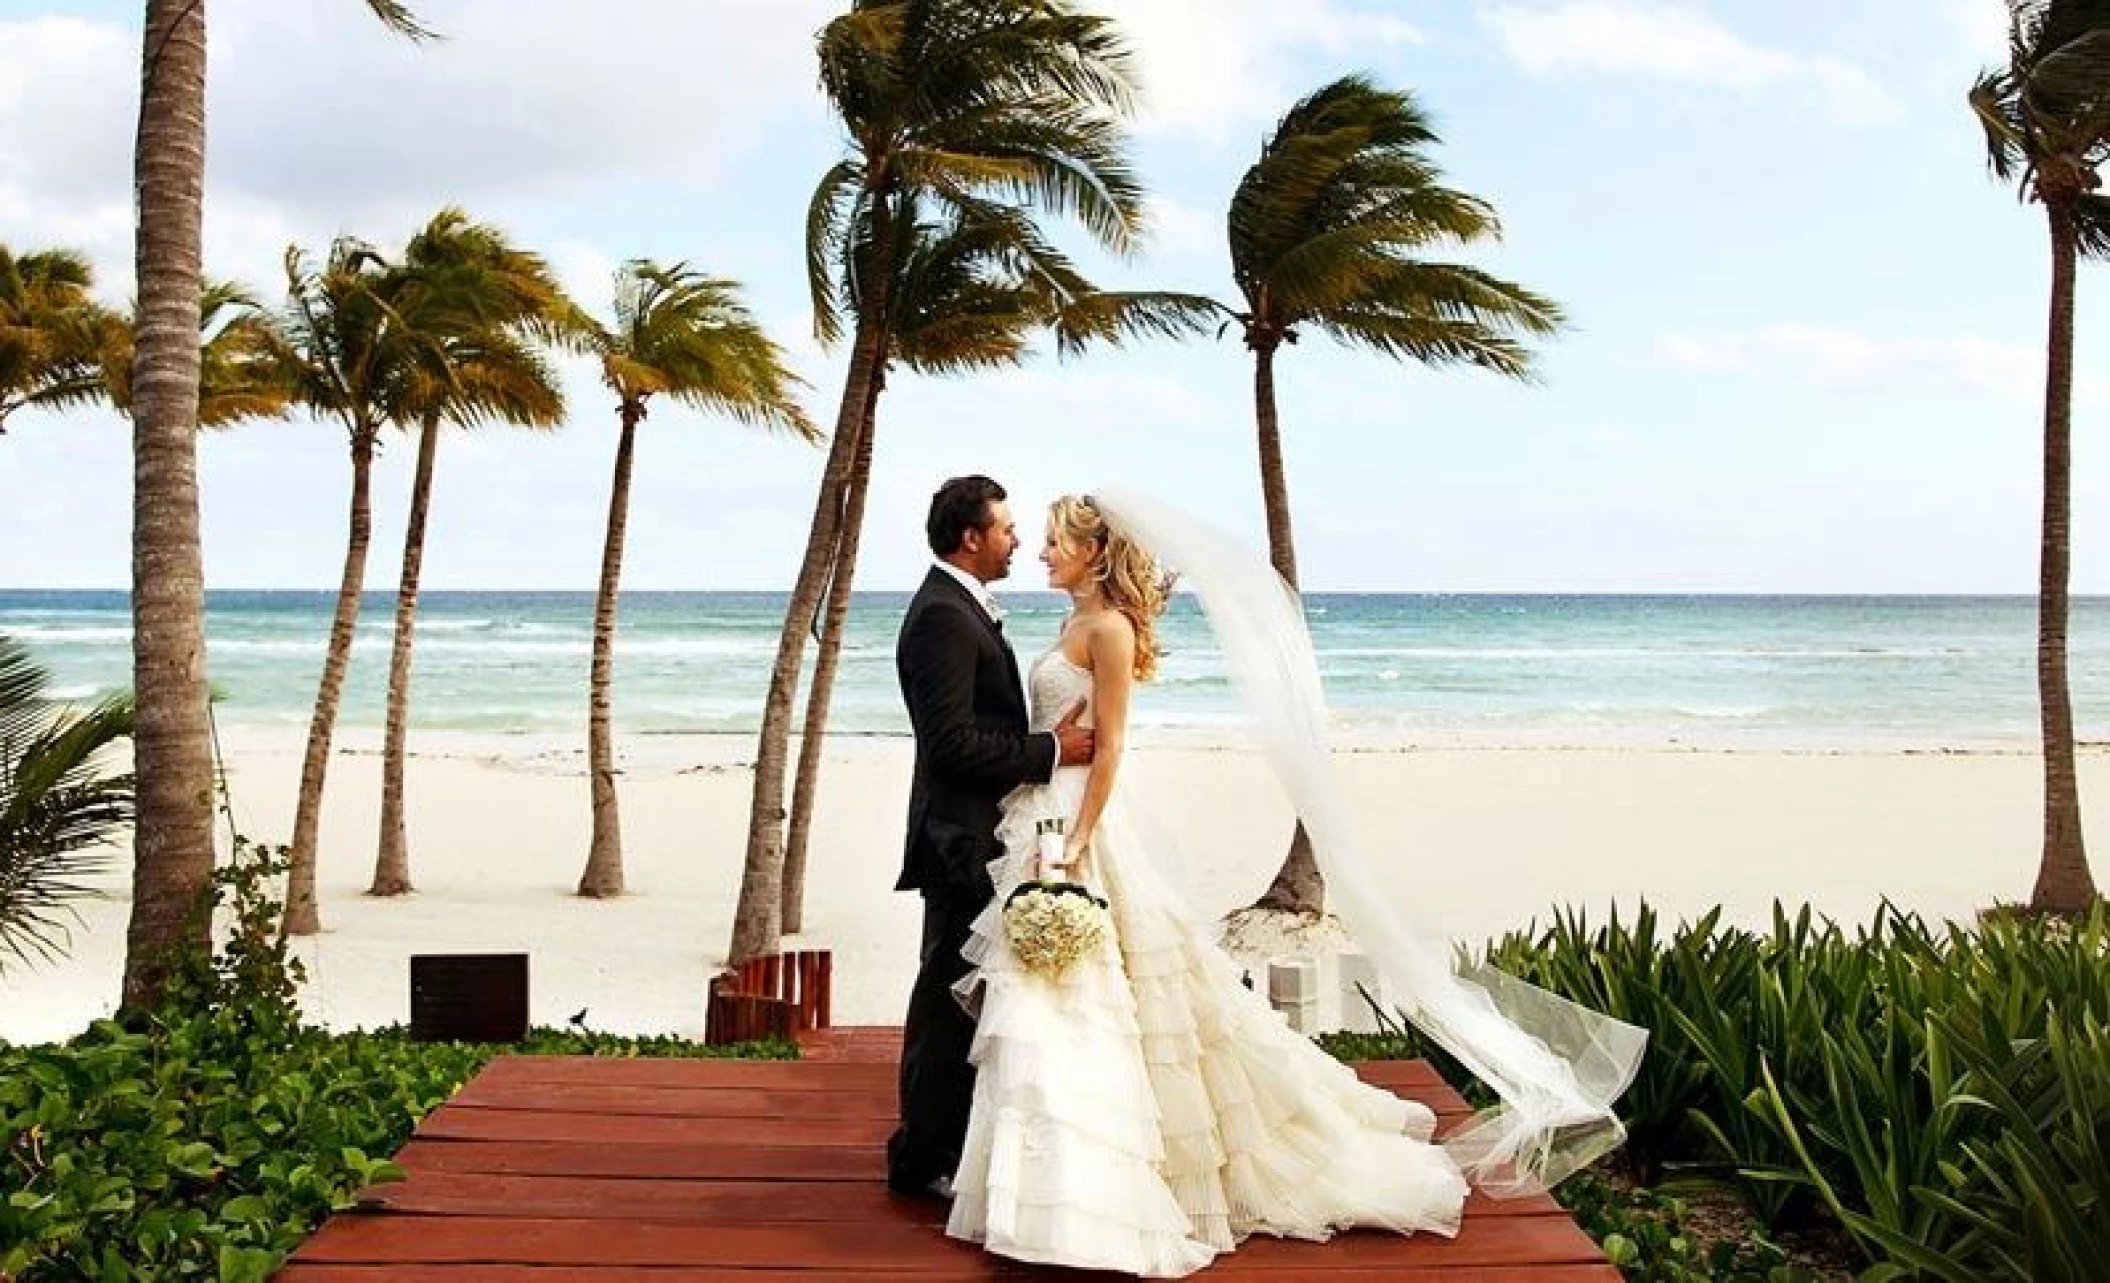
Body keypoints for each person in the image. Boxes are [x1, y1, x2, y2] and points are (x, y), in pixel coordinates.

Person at [944, 492, 1646, 1277]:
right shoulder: (1071, 624)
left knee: (1095, 996)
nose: (1041, 551)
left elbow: (1110, 750)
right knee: (1057, 1003)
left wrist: (1077, 841)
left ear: (1094, 553)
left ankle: (1094, 1183)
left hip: (1081, 828)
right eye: (1034, 539)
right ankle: (1045, 1187)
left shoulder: (1107, 630)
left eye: (1053, 542)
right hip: (1039, 817)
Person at [887, 475, 1095, 1200]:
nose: (1015, 540)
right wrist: (1049, 752)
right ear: (971, 537)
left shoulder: (960, 604)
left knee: (962, 995)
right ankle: (922, 1157)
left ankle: (945, 1144)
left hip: (978, 831)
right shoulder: (943, 615)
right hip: (958, 839)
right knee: (948, 1000)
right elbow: (949, 744)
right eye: (1005, 528)